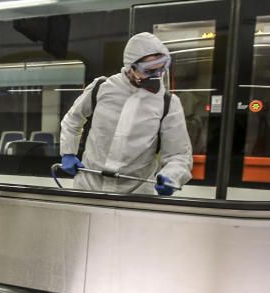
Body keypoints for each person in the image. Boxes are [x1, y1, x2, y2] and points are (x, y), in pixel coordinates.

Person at [58, 32, 192, 195]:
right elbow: (72, 120)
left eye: (162, 68)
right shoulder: (102, 88)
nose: (157, 76)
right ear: (130, 67)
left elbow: (179, 154)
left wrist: (172, 176)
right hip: (89, 186)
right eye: (149, 71)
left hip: (135, 193)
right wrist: (68, 152)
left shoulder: (168, 103)